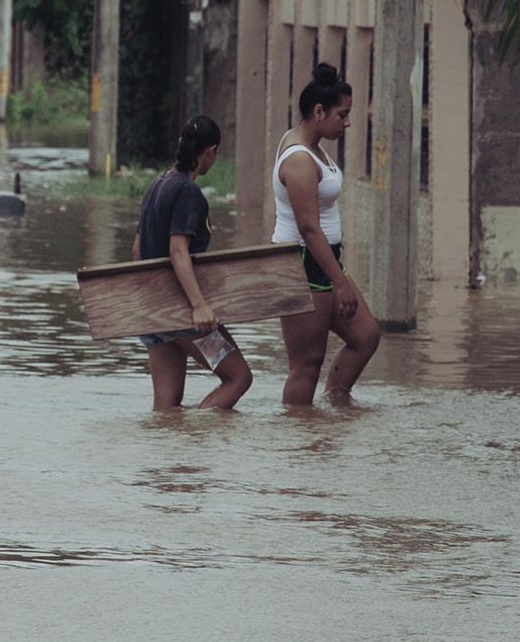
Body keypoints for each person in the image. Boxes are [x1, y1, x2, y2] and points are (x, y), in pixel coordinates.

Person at [274, 63, 382, 405]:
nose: (347, 123)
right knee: (306, 363)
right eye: (343, 114)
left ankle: (334, 405)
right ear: (318, 112)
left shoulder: (314, 147)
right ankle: (302, 441)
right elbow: (308, 227)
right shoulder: (300, 160)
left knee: (365, 335)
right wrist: (341, 282)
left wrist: (337, 274)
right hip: (303, 264)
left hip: (323, 261)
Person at [131, 117, 253, 410]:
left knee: (166, 407)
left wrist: (149, 304)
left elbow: (137, 249)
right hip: (185, 318)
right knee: (238, 378)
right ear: (210, 152)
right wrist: (199, 305)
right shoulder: (188, 193)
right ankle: (198, 441)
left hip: (155, 315)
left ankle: (176, 453)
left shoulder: (158, 184)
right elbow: (178, 251)